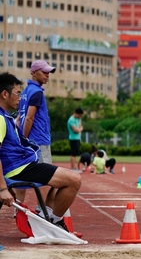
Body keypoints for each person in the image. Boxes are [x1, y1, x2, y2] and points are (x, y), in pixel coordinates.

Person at [0, 72, 81, 232]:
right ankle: (54, 223)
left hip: (24, 166)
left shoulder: (5, 117)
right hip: (18, 169)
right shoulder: (0, 119)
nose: (20, 98)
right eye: (17, 93)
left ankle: (48, 219)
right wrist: (3, 188)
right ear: (4, 94)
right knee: (73, 179)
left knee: (62, 180)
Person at [15, 60, 56, 206]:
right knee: (47, 176)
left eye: (48, 72)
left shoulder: (25, 92)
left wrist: (20, 139)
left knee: (23, 175)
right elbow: (29, 118)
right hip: (39, 140)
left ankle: (18, 208)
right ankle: (42, 210)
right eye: (44, 72)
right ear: (33, 72)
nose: (47, 75)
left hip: (26, 140)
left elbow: (19, 118)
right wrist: (25, 138)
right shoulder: (37, 92)